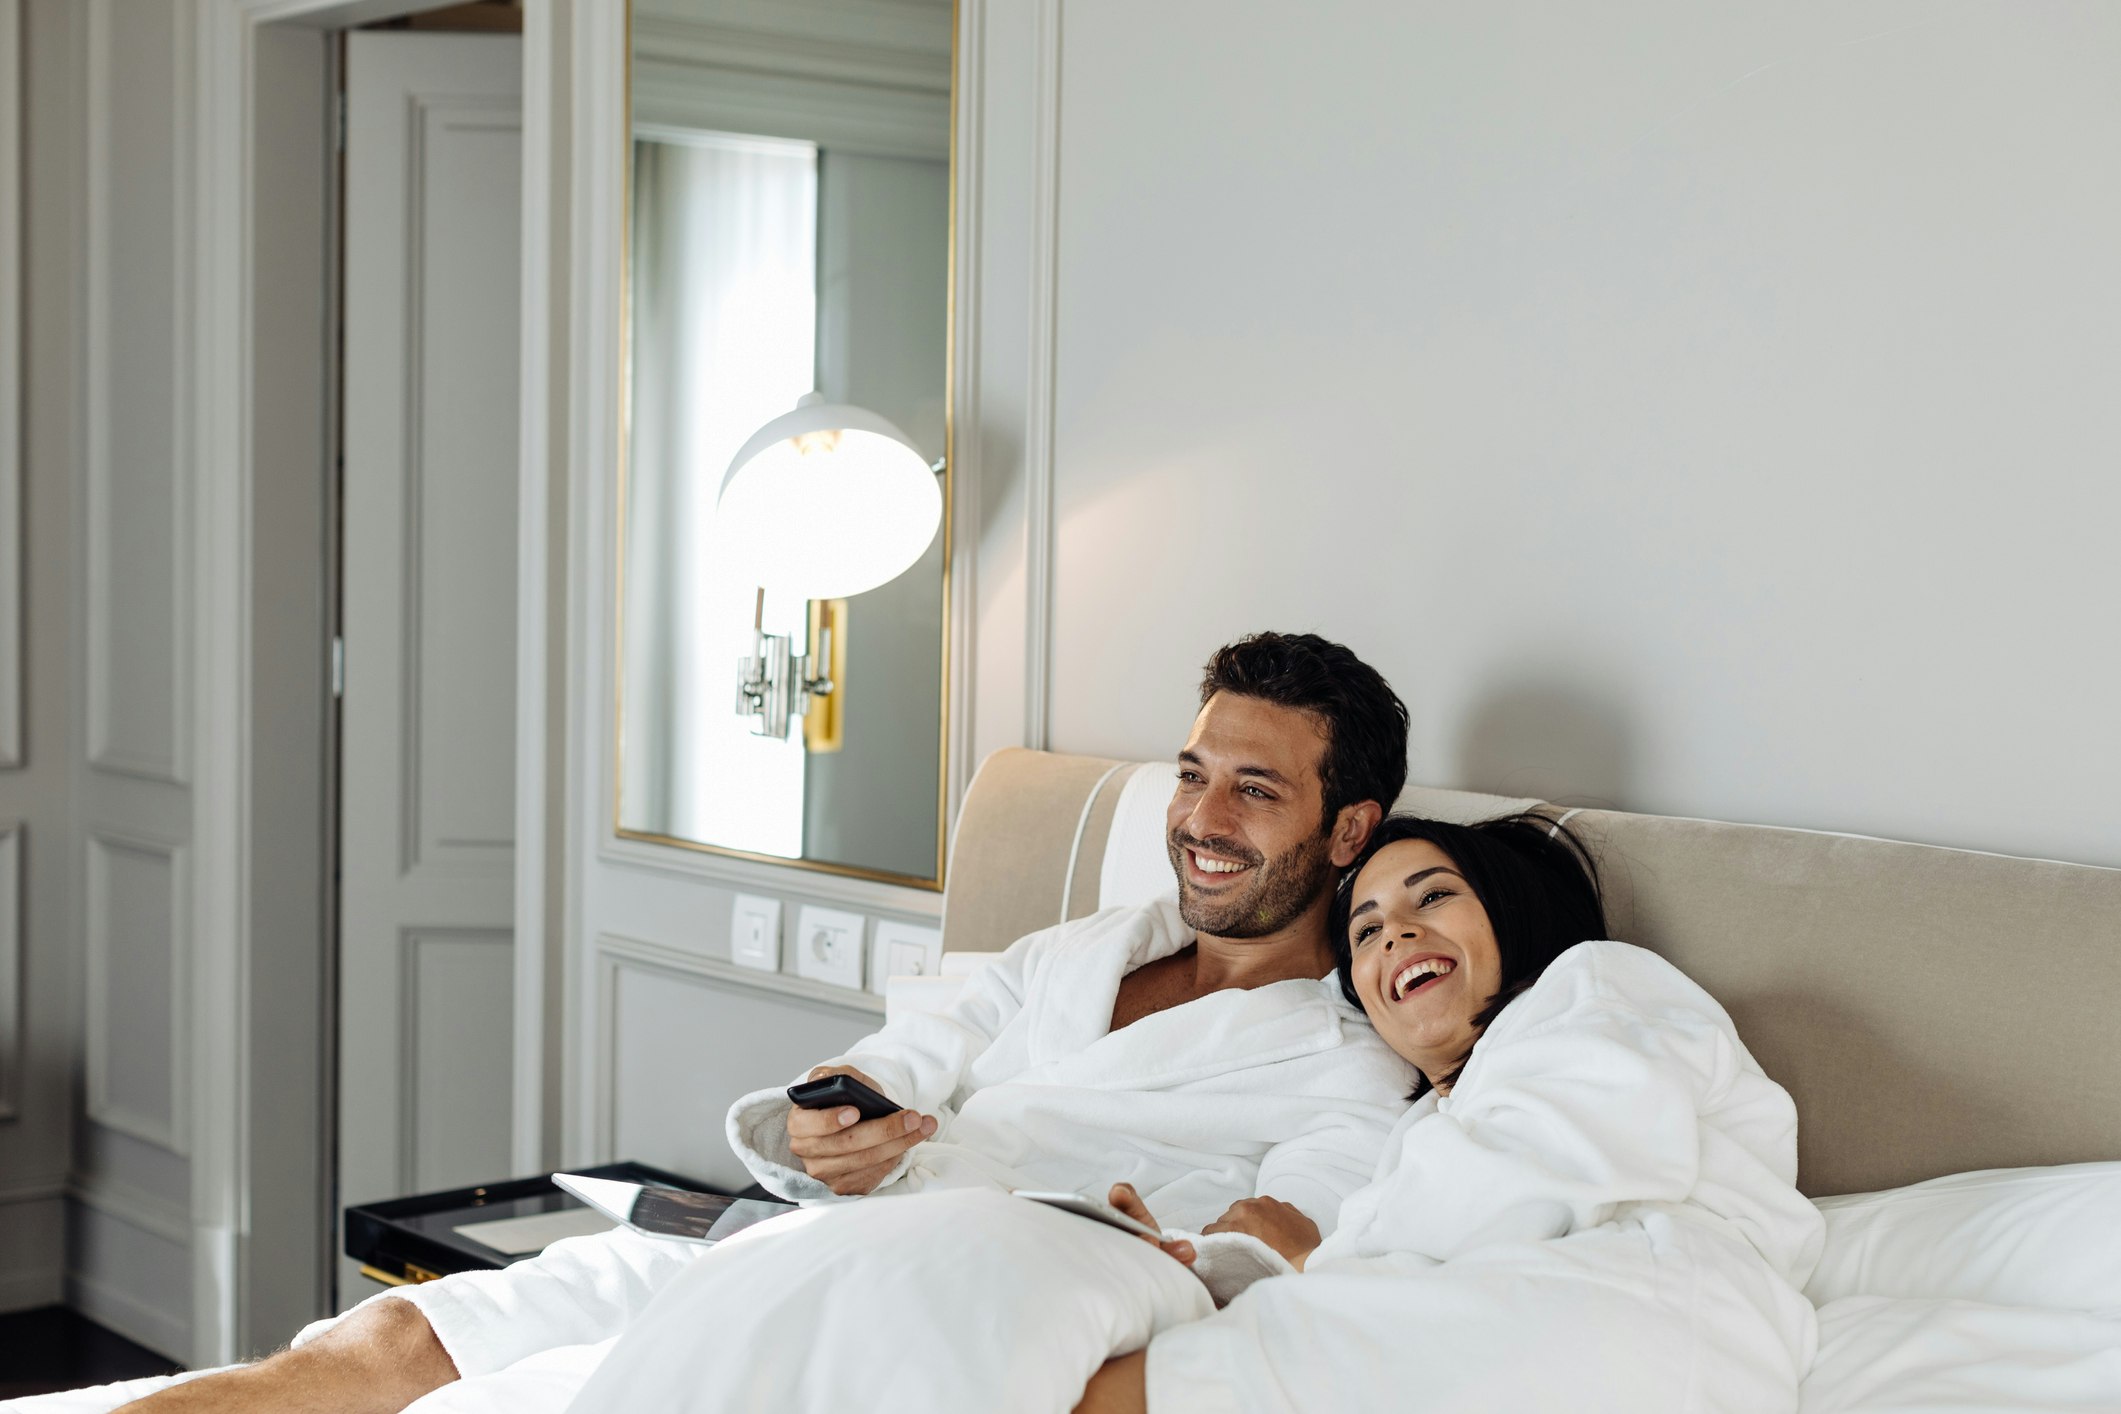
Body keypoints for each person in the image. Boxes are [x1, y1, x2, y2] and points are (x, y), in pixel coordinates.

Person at [101, 631, 1419, 1414]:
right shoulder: (1079, 950)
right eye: (1193, 774)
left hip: (968, 1287)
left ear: (1348, 826)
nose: (1200, 817)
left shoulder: (1349, 1060)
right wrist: (828, 1118)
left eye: (1255, 789)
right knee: (390, 1336)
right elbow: (892, 1061)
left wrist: (1177, 1240)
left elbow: (1287, 1237)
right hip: (811, 1228)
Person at [1075, 813, 1825, 1414]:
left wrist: (1312, 1263)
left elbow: (1535, 1177)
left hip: (1654, 1304)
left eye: (1431, 897)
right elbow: (1406, 1250)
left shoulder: (1594, 984)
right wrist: (1180, 1255)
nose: (1395, 932)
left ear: (1510, 912)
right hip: (1516, 1311)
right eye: (1365, 931)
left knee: (1180, 1380)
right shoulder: (1424, 1130)